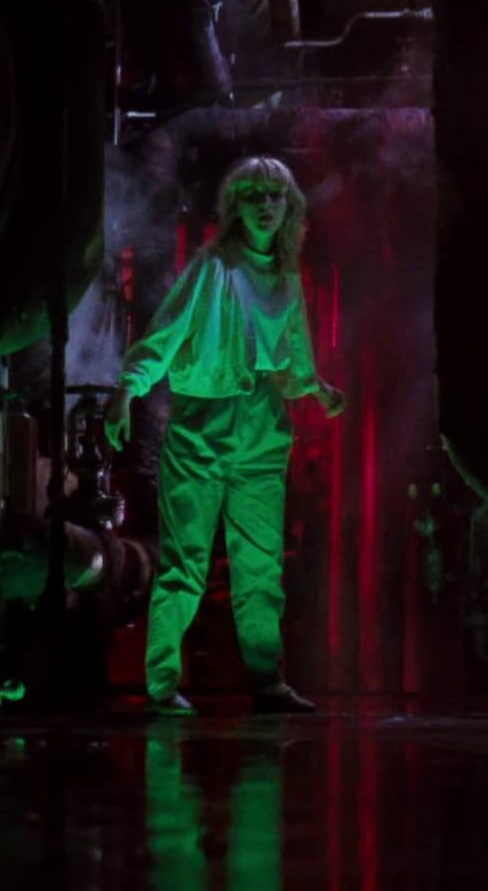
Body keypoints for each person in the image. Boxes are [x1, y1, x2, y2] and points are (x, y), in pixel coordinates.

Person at [107, 155, 346, 715]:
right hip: (204, 424)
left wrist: (315, 389)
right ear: (236, 206)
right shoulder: (212, 268)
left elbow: (291, 360)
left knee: (260, 564)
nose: (266, 205)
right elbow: (166, 333)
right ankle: (162, 684)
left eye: (275, 195)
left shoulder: (285, 278)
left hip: (263, 426)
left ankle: (266, 680)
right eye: (254, 195)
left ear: (289, 207)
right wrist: (127, 389)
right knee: (185, 562)